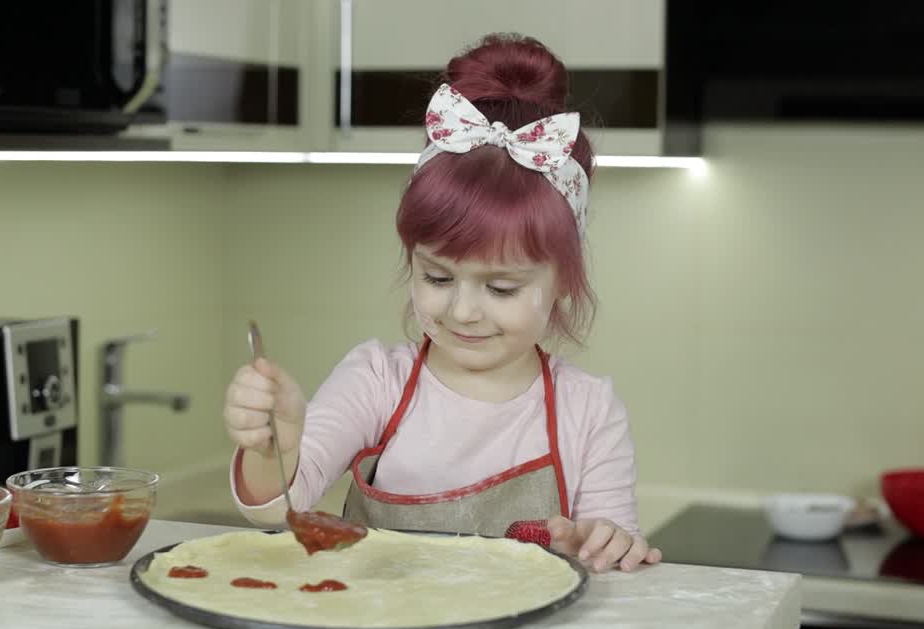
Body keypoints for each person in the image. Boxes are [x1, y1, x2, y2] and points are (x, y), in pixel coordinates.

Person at [222, 34, 662, 573]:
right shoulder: (376, 381)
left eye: (501, 288)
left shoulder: (590, 413)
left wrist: (608, 544)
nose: (462, 311)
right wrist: (274, 449)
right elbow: (276, 509)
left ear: (564, 280)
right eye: (436, 276)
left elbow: (618, 564)